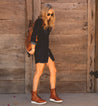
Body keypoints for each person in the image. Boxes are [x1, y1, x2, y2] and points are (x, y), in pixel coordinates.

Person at [28, 4, 63, 105]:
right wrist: (33, 49)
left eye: (52, 14)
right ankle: (34, 96)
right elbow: (34, 35)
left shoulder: (48, 23)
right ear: (44, 12)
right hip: (39, 50)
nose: (50, 16)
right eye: (48, 14)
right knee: (39, 72)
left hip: (46, 50)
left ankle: (53, 94)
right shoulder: (39, 21)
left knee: (53, 70)